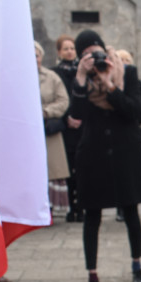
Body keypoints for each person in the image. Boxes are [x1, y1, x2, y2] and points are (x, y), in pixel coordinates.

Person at [68, 29, 141, 282]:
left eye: (97, 51)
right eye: (87, 54)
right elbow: (76, 116)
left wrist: (109, 84)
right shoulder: (79, 80)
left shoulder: (126, 73)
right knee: (91, 217)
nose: (94, 58)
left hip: (125, 151)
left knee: (130, 211)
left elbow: (134, 112)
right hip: (93, 155)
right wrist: (81, 77)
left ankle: (137, 266)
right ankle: (92, 277)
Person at [36, 41, 70, 218]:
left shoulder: (51, 77)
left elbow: (63, 101)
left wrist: (45, 111)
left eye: (37, 55)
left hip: (48, 129)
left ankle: (50, 208)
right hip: (27, 132)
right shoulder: (16, 75)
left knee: (51, 169)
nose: (34, 59)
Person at [53, 34, 84, 222]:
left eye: (72, 48)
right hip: (65, 128)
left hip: (83, 126)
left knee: (82, 168)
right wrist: (67, 118)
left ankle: (82, 207)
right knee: (67, 168)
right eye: (66, 48)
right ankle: (70, 207)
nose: (70, 52)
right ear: (59, 52)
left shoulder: (83, 70)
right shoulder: (55, 72)